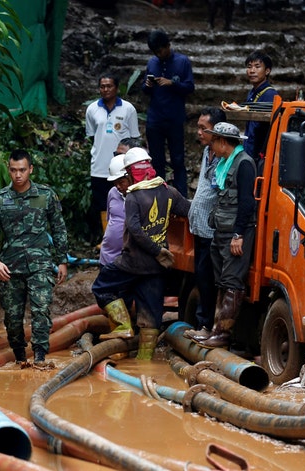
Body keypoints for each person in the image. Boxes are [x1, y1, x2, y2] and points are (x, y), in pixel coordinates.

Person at [92, 147, 190, 360]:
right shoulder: (169, 192)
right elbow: (189, 211)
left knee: (101, 286)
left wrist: (155, 250)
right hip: (156, 267)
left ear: (132, 172)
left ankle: (123, 325)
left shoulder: (134, 197)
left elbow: (135, 230)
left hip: (133, 261)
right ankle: (144, 364)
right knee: (151, 315)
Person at [0, 150, 69, 365]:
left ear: (30, 169)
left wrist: (62, 260)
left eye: (22, 170)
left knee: (41, 310)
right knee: (12, 318)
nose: (18, 175)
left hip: (40, 265)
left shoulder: (45, 195)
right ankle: (20, 357)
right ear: (8, 169)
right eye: (13, 170)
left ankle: (39, 357)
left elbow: (58, 228)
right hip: (10, 267)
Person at [191, 123, 256, 349]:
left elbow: (247, 203)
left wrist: (238, 234)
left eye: (214, 142)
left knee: (231, 280)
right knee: (221, 280)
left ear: (223, 142)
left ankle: (223, 334)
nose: (212, 147)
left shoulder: (244, 164)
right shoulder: (223, 164)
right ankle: (218, 329)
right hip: (221, 229)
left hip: (235, 232)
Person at [183, 107, 226, 341]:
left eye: (203, 128)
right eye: (198, 127)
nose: (198, 132)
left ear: (216, 131)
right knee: (201, 276)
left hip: (212, 230)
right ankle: (203, 324)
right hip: (199, 226)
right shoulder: (207, 153)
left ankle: (207, 326)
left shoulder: (224, 158)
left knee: (209, 279)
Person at [86, 73, 140, 243]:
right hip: (99, 167)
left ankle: (126, 238)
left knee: (126, 201)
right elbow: (91, 135)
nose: (105, 89)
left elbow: (134, 138)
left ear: (117, 88)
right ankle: (107, 239)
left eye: (109, 86)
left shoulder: (128, 109)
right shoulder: (92, 109)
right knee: (102, 204)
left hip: (123, 168)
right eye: (102, 86)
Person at [142, 29, 195, 197]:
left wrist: (172, 83)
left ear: (168, 46)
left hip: (174, 118)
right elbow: (144, 88)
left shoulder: (182, 61)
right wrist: (147, 86)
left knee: (177, 160)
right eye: (155, 52)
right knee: (156, 160)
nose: (159, 54)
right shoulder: (152, 63)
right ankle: (159, 197)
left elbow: (190, 87)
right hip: (155, 119)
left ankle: (181, 198)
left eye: (161, 50)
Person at [99, 137, 142, 266]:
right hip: (107, 258)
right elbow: (110, 220)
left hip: (130, 262)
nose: (117, 159)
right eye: (116, 155)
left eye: (122, 156)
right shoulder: (113, 191)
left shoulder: (145, 195)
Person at [242, 50, 279, 161]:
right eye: (249, 67)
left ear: (267, 71)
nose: (252, 71)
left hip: (260, 152)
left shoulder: (270, 94)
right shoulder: (252, 92)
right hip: (249, 148)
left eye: (257, 67)